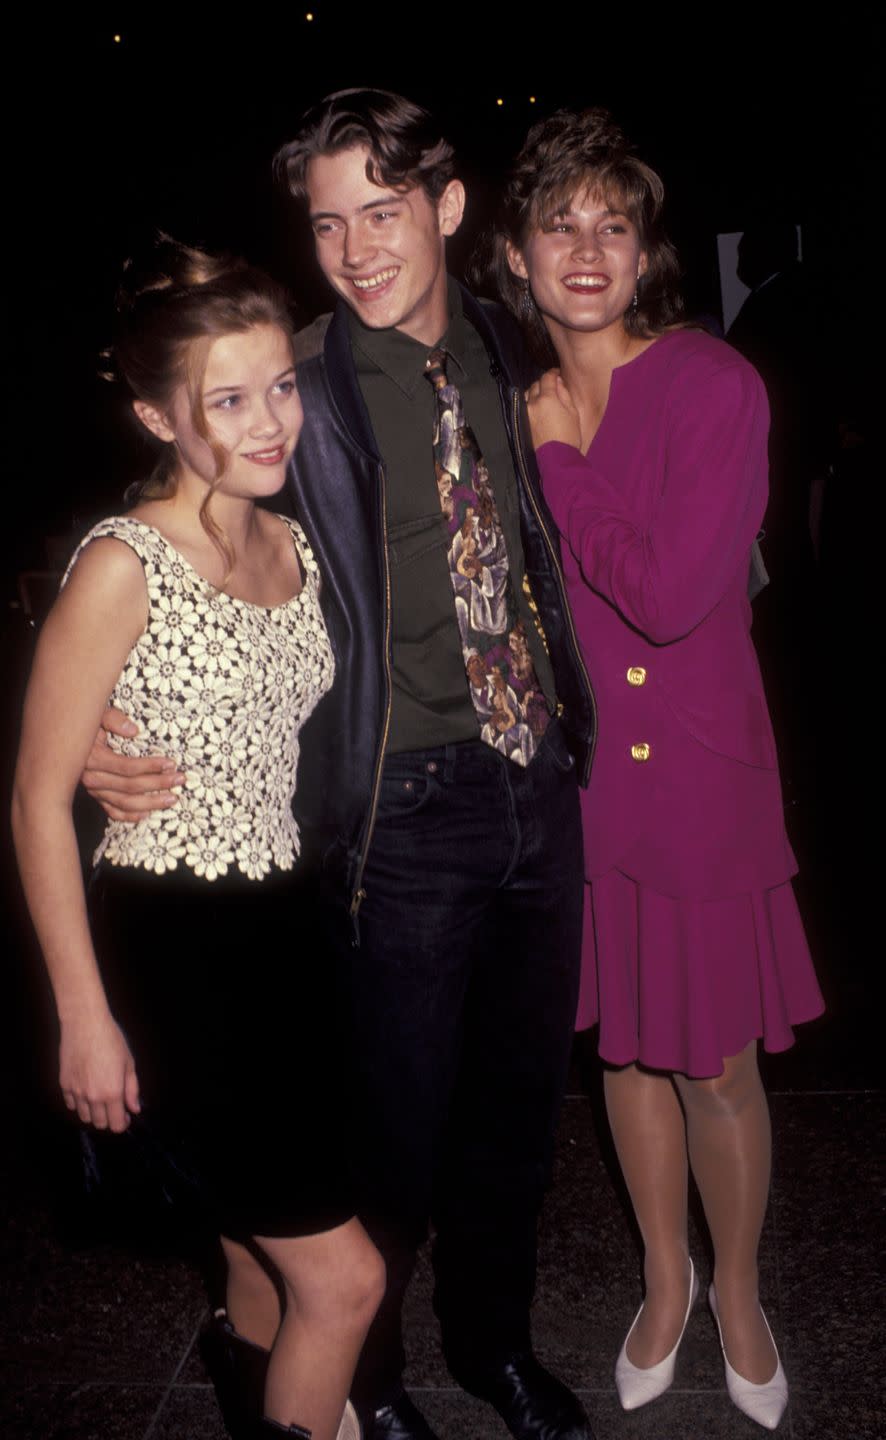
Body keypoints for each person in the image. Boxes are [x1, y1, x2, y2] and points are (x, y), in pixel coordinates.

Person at [80, 92, 598, 1440]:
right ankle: (361, 1381)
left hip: (537, 784)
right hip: (397, 805)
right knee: (388, 1138)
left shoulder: (509, 341)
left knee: (515, 1119)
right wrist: (93, 727)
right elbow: (172, 546)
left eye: (383, 209)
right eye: (327, 222)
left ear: (446, 207)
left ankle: (491, 1350)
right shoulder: (289, 388)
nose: (358, 245)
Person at [485, 108, 824, 1431]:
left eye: (609, 225)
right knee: (625, 1052)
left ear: (645, 253)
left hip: (693, 774)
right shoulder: (506, 409)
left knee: (716, 1062)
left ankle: (738, 1294)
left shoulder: (710, 386)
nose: (583, 247)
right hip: (584, 786)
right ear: (513, 253)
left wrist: (560, 458)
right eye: (557, 223)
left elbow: (676, 595)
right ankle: (662, 1281)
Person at [12, 238, 384, 1440]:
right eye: (228, 399)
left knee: (253, 1248)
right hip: (176, 946)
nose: (271, 420)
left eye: (280, 385)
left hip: (285, 926)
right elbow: (34, 799)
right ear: (154, 414)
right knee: (345, 1277)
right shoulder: (125, 565)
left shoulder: (293, 539)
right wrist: (82, 1013)